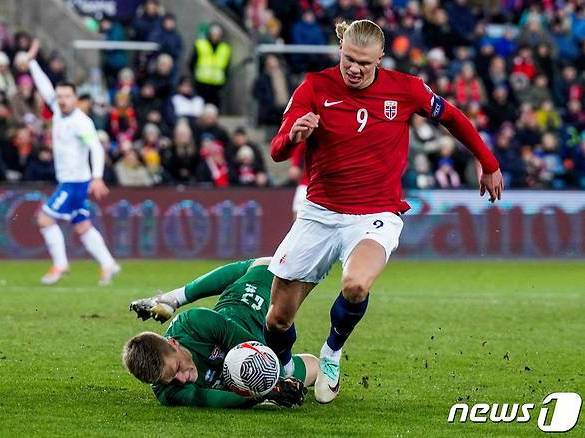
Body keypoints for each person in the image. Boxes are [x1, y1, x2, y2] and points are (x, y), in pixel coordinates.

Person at [264, 20, 504, 404]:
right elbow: (277, 150)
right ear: (339, 48)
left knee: (356, 284)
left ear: (380, 57)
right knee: (277, 318)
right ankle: (282, 372)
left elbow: (453, 117)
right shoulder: (314, 86)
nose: (354, 69)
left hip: (376, 213)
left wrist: (487, 162)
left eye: (363, 62)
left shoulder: (406, 89)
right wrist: (294, 136)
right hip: (319, 212)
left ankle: (331, 352)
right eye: (347, 59)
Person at [124, 257, 316, 408]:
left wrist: (274, 382)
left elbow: (254, 346)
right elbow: (204, 398)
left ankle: (173, 298)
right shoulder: (165, 390)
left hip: (254, 299)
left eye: (176, 369)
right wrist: (263, 394)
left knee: (266, 266)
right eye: (171, 380)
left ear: (173, 343)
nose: (181, 380)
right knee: (314, 370)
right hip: (251, 352)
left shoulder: (193, 324)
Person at [26, 40, 120, 286]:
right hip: (72, 181)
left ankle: (60, 264)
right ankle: (108, 264)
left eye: (67, 96)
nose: (62, 100)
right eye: (59, 96)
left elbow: (95, 148)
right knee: (83, 226)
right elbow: (45, 86)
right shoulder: (57, 110)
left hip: (74, 182)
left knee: (44, 219)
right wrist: (32, 62)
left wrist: (98, 176)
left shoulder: (82, 122)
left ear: (75, 98)